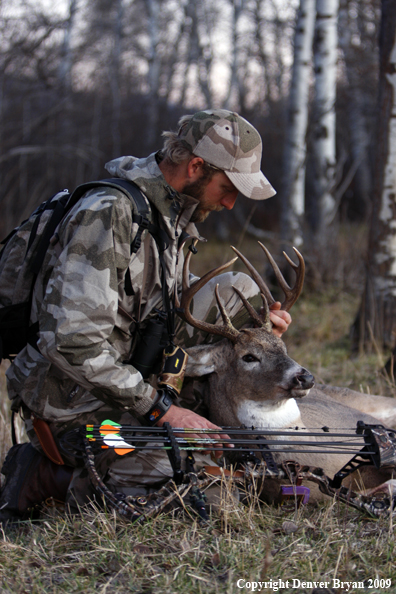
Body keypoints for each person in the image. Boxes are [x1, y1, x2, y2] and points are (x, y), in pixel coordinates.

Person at [0, 109, 291, 522]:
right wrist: (162, 411)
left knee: (241, 292)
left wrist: (259, 329)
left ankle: (165, 429)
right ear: (195, 166)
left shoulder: (169, 214)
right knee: (182, 470)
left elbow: (164, 304)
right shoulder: (108, 215)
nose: (230, 203)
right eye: (228, 188)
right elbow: (70, 340)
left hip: (129, 379)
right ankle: (52, 474)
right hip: (75, 408)